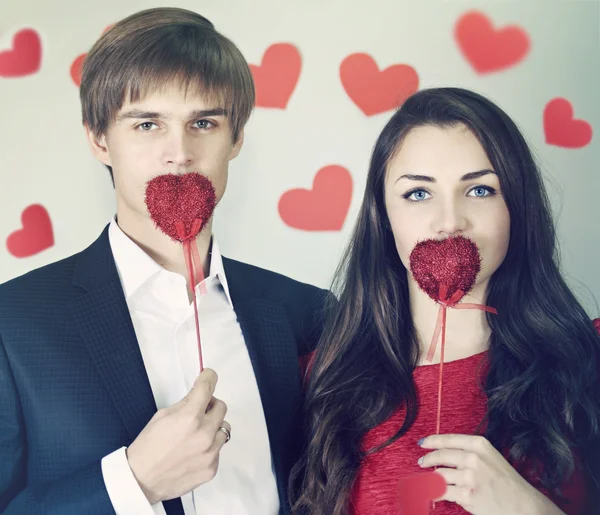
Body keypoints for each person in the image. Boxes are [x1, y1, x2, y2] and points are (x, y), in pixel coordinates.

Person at [0, 7, 329, 515]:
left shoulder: (311, 315)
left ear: (235, 138)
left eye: (203, 122)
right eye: (148, 123)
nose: (179, 152)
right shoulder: (13, 322)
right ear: (99, 139)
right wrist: (134, 481)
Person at [290, 87, 600, 515]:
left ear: (518, 208)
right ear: (384, 218)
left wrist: (528, 509)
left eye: (479, 190)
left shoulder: (589, 359)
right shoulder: (320, 379)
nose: (450, 221)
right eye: (418, 193)